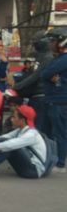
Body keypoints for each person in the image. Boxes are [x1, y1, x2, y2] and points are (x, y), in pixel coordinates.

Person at [0, 105, 52, 180]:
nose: (11, 119)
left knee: (8, 146)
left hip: (34, 171)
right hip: (27, 167)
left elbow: (10, 145)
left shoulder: (32, 134)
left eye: (14, 117)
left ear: (22, 120)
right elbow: (0, 137)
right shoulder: (21, 130)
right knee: (2, 142)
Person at [39, 27, 67, 173]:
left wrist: (51, 76)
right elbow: (45, 74)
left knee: (60, 132)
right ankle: (49, 159)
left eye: (53, 40)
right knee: (47, 132)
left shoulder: (64, 59)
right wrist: (51, 77)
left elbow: (45, 74)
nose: (50, 43)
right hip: (52, 100)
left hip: (59, 101)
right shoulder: (57, 59)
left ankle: (61, 163)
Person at [13, 31, 52, 133]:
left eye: (36, 42)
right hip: (34, 97)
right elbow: (31, 74)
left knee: (39, 128)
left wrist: (18, 86)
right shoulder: (40, 57)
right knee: (34, 126)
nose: (34, 45)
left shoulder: (48, 57)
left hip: (41, 97)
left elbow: (35, 76)